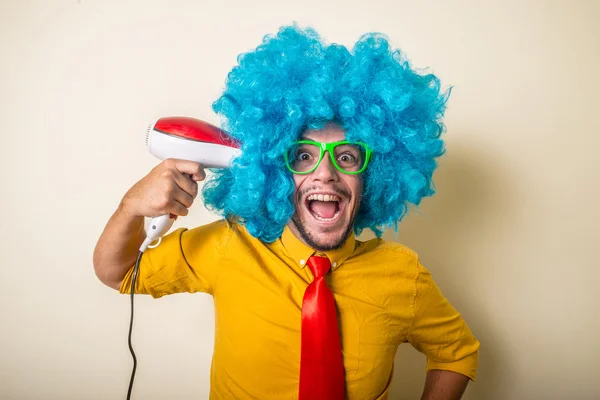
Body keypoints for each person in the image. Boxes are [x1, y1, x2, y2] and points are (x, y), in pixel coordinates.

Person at [93, 24, 480, 400]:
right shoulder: (230, 246)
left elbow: (457, 352)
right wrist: (131, 207)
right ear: (274, 173)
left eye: (346, 157)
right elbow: (119, 272)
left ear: (374, 177)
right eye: (303, 156)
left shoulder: (403, 273)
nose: (325, 174)